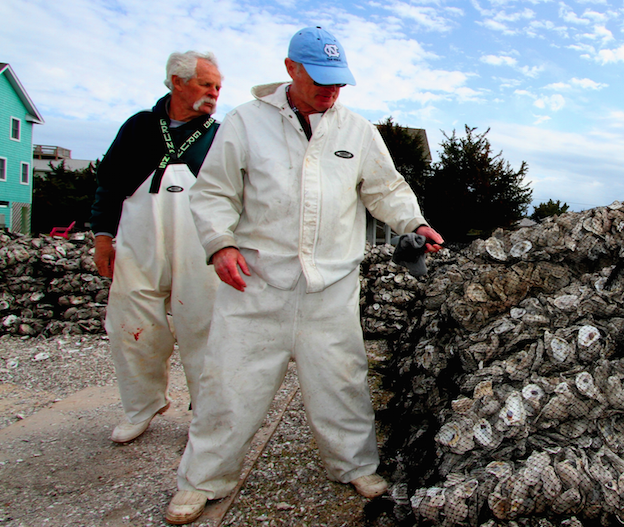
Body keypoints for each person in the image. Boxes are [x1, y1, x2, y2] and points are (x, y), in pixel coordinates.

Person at [165, 26, 444, 525]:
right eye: (320, 80)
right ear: (291, 69)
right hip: (255, 283)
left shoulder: (356, 131)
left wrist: (414, 222)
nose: (330, 92)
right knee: (230, 385)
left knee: (342, 382)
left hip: (331, 287)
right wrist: (221, 244)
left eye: (338, 83)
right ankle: (202, 480)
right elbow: (213, 194)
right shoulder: (246, 123)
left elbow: (385, 189)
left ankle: (353, 465)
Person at [90, 51, 223, 445]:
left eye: (217, 86)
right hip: (138, 239)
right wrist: (102, 235)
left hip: (197, 242)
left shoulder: (220, 135)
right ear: (177, 82)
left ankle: (207, 415)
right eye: (206, 84)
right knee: (131, 323)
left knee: (204, 325)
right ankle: (141, 406)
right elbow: (109, 183)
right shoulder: (139, 127)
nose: (215, 93)